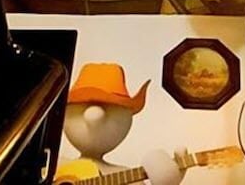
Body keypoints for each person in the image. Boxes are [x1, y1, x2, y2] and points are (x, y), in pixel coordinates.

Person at [56, 63, 185, 184]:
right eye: (82, 104)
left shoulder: (126, 176)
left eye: (109, 107)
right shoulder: (55, 167)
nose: (94, 116)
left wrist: (168, 179)